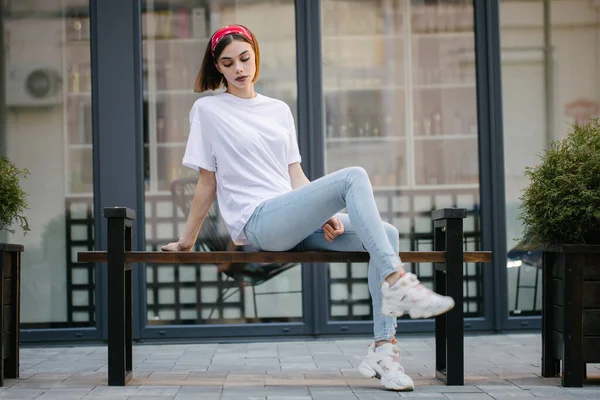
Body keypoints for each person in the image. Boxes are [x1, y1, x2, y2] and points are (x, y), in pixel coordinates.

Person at [161, 24, 455, 391]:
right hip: (260, 224)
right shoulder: (208, 110)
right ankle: (398, 281)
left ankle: (384, 349)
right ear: (218, 68)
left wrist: (325, 212)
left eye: (244, 58)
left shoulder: (278, 110)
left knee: (387, 235)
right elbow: (207, 182)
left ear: (255, 54)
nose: (238, 68)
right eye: (228, 62)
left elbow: (295, 175)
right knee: (353, 177)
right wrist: (186, 240)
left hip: (294, 219)